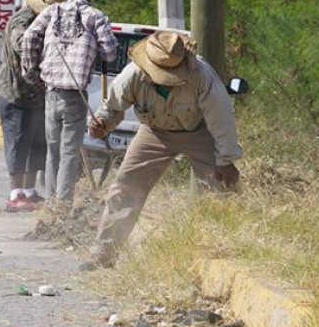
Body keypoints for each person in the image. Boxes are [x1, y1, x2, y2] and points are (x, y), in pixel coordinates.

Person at [81, 30, 243, 271]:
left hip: (198, 132)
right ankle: (104, 253)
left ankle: (228, 250)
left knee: (222, 187)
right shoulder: (133, 73)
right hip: (153, 132)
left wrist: (226, 159)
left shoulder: (202, 75)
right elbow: (113, 108)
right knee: (125, 186)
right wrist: (102, 124)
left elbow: (222, 120)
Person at [21, 0, 118, 203]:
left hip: (51, 92)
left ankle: (53, 203)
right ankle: (62, 205)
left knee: (53, 151)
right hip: (75, 97)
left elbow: (29, 38)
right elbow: (111, 53)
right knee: (68, 153)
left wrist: (32, 73)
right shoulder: (96, 17)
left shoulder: (51, 12)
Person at [0, 0, 65, 211]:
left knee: (37, 144)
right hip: (15, 92)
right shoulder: (22, 20)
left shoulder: (42, 21)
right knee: (17, 142)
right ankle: (15, 194)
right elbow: (21, 44)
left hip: (36, 95)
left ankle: (29, 191)